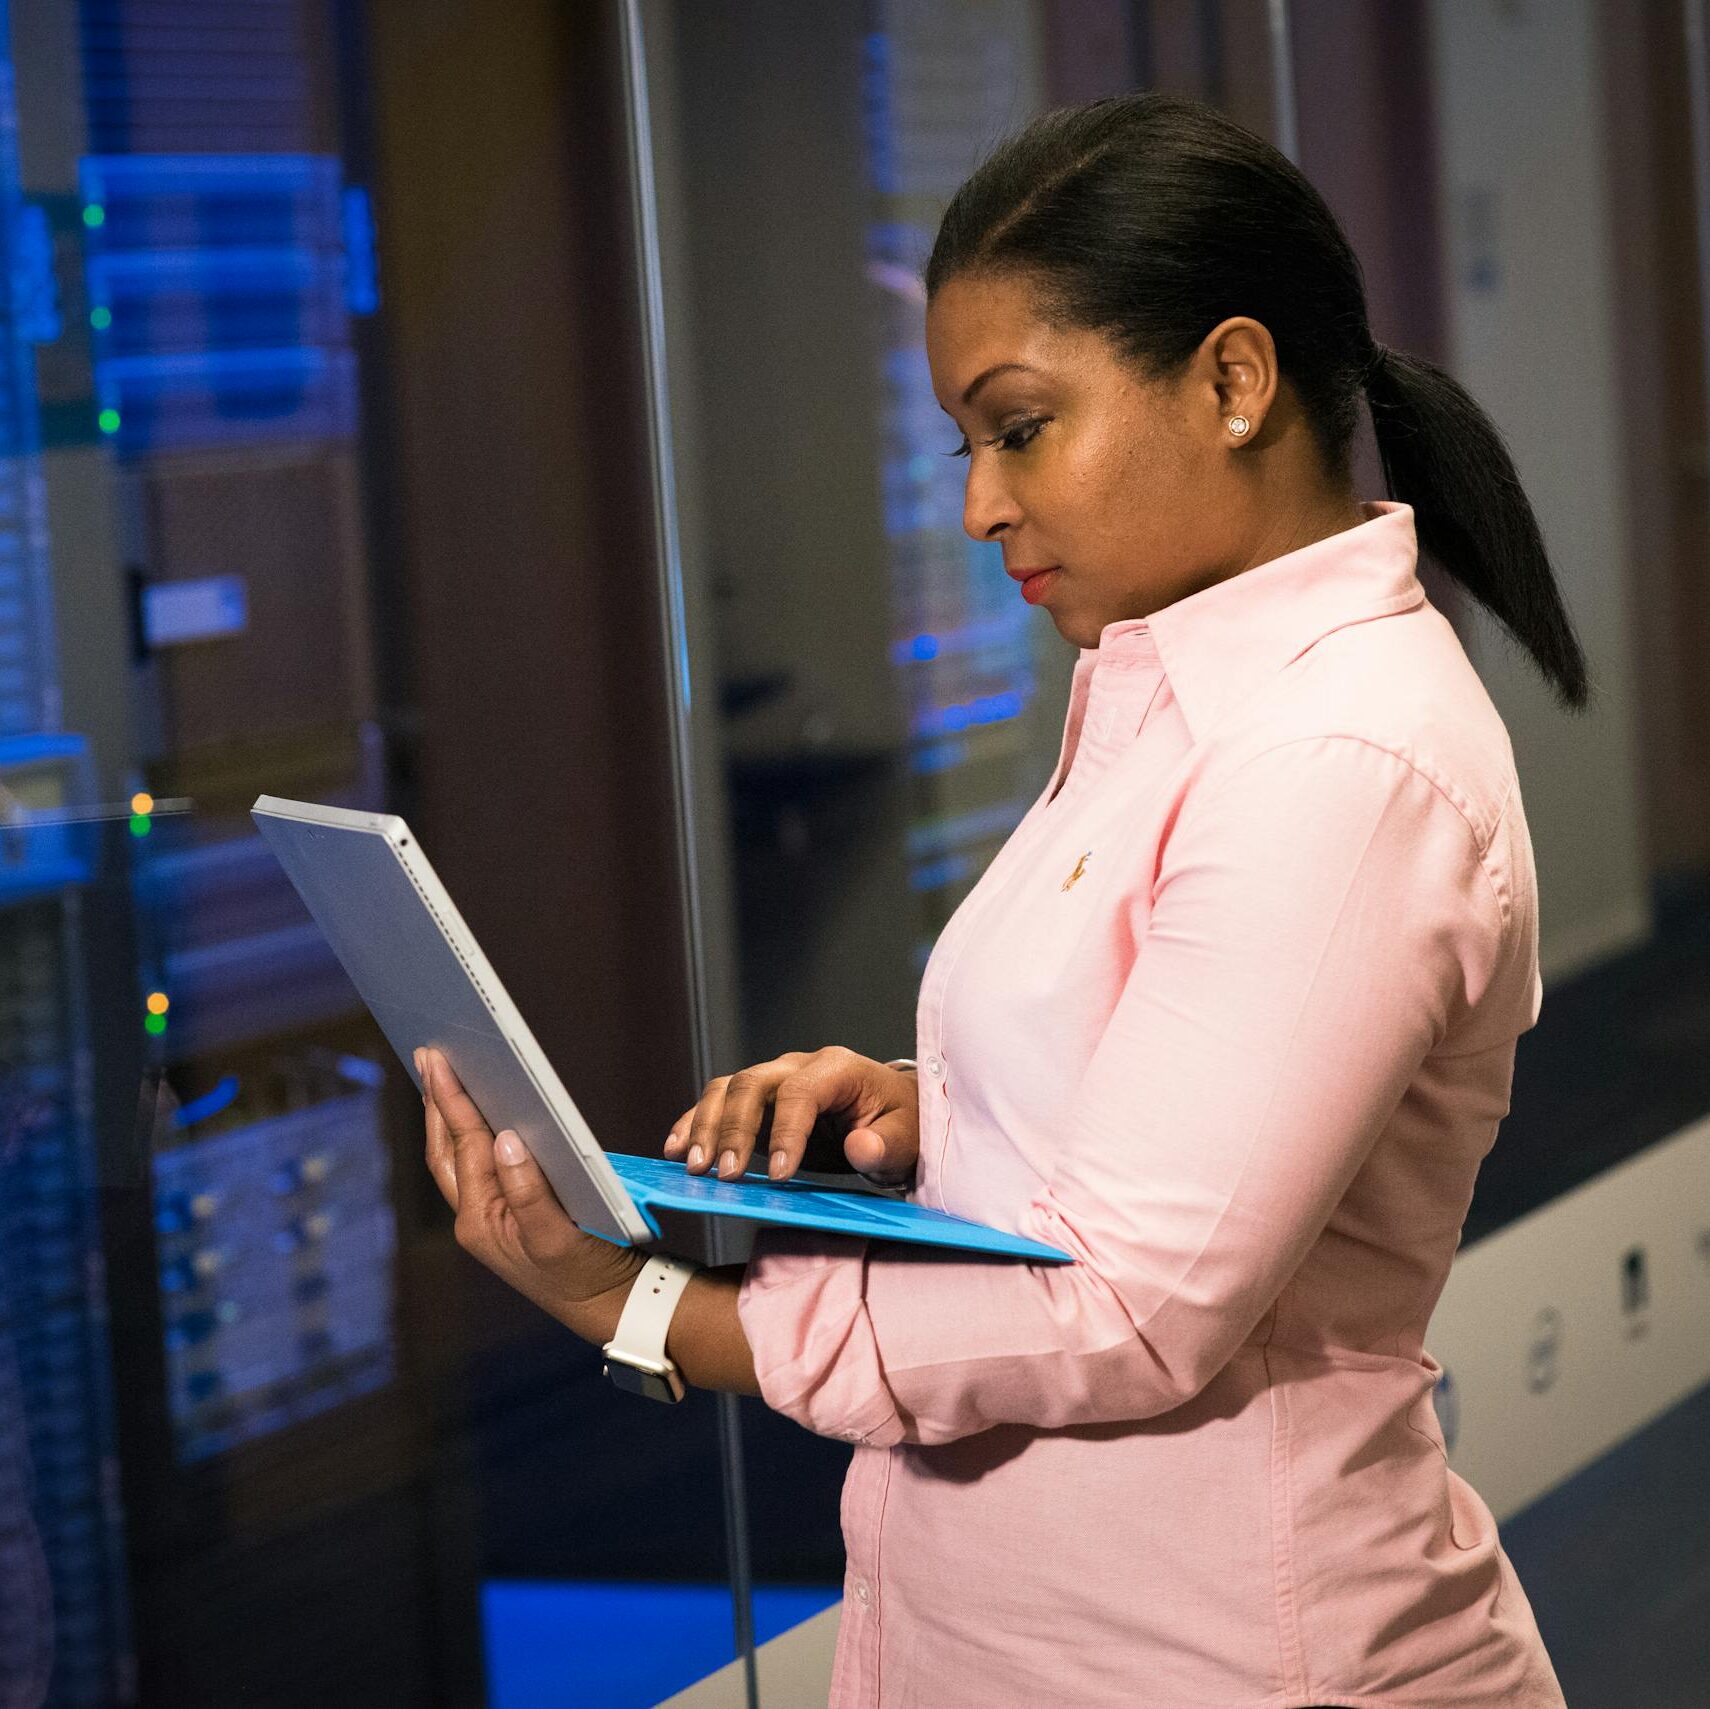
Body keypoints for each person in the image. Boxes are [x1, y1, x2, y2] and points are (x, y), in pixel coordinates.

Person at [419, 92, 1581, 1707]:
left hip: (1237, 1660)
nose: (978, 505)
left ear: (1233, 381)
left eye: (1018, 426)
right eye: (963, 447)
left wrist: (648, 1307)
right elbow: (1172, 1100)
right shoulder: (1163, 695)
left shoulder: (1336, 754)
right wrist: (929, 1106)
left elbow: (1126, 1302)